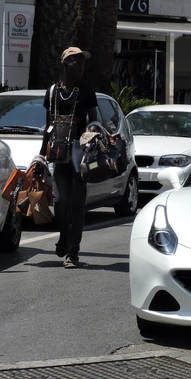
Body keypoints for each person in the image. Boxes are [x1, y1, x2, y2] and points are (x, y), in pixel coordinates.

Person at [39, 46, 98, 269]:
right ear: (64, 64)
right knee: (60, 201)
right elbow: (48, 126)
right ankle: (64, 237)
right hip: (57, 152)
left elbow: (94, 123)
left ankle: (72, 252)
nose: (81, 66)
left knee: (76, 203)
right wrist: (41, 155)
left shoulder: (86, 92)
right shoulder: (53, 92)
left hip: (79, 154)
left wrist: (89, 141)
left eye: (83, 63)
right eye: (76, 62)